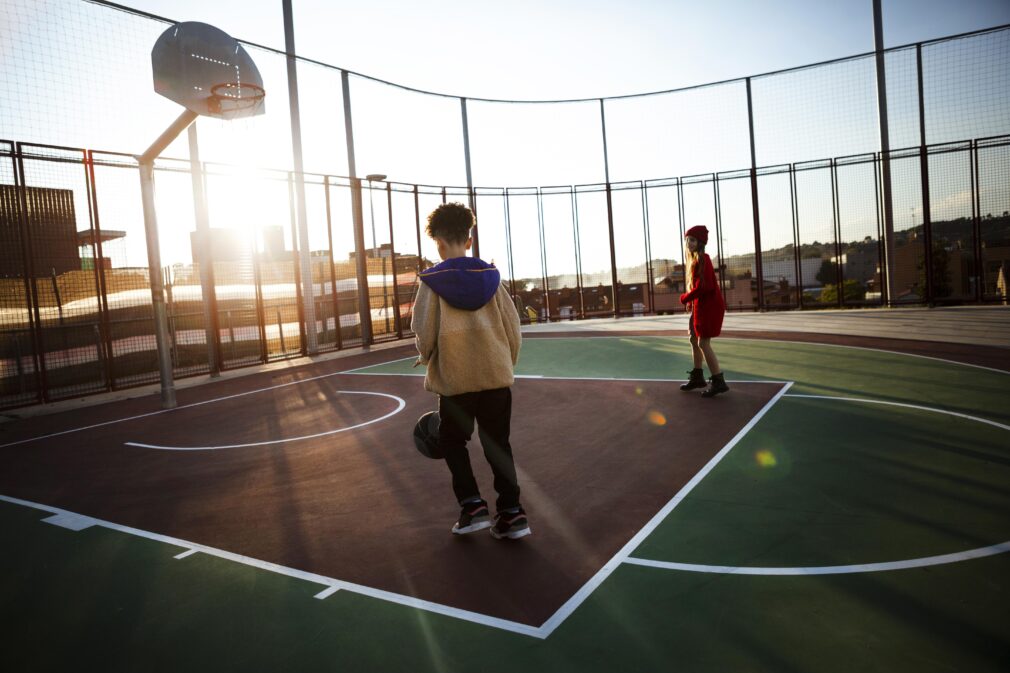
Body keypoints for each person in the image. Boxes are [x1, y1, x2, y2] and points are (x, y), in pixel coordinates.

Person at [411, 202, 530, 539]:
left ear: (438, 243)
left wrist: (426, 355)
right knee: (498, 445)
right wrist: (506, 362)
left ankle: (472, 506)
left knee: (452, 442)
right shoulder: (491, 278)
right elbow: (513, 329)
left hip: (456, 380)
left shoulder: (432, 282)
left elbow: (425, 331)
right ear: (469, 238)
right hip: (495, 375)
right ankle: (512, 514)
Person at [679, 225, 729, 397]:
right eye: (687, 240)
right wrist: (691, 302)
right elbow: (698, 287)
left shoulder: (703, 258)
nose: (689, 243)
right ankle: (698, 377)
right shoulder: (693, 260)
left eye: (692, 240)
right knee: (693, 339)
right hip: (700, 305)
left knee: (703, 343)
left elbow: (705, 287)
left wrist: (686, 297)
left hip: (709, 306)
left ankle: (718, 381)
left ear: (700, 242)